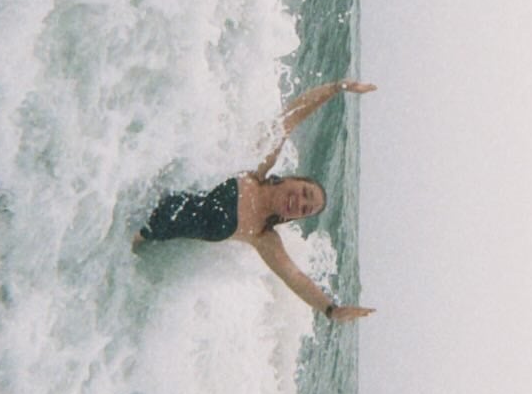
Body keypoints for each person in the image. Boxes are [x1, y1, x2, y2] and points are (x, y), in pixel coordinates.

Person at [131, 79, 376, 324]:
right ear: (291, 180)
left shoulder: (262, 235)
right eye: (305, 193)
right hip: (141, 191)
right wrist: (336, 88)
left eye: (305, 209)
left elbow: (294, 276)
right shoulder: (255, 170)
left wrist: (331, 310)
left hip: (138, 232)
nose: (299, 202)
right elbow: (291, 118)